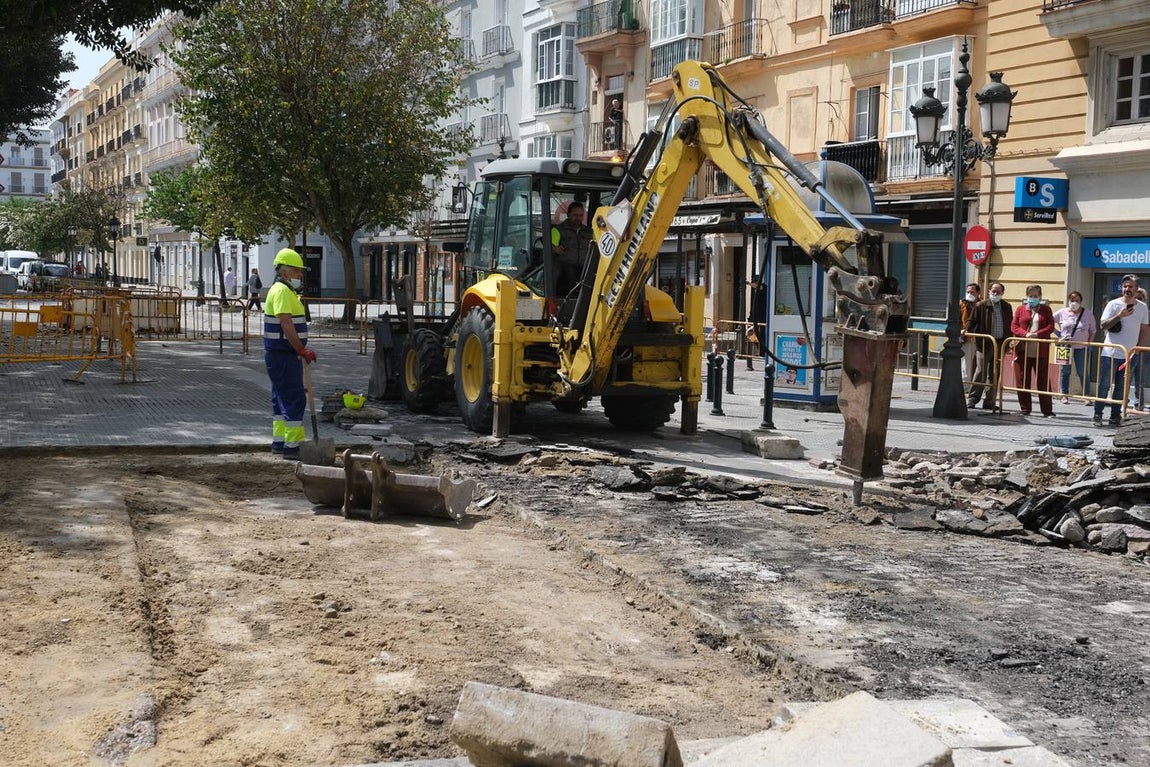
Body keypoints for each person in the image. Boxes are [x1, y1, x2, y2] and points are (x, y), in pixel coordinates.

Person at [263, 248, 315, 459]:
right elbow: (286, 323)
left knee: (280, 399)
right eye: (297, 271)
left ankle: (280, 441)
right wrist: (301, 349)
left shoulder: (282, 290)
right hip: (283, 355)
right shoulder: (283, 292)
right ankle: (292, 447)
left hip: (279, 355)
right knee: (294, 398)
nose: (300, 276)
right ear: (285, 272)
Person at [1094, 273, 1150, 426]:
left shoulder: (1143, 308)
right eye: (1125, 286)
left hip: (1130, 355)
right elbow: (1103, 325)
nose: (1127, 289)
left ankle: (1114, 416)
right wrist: (1120, 315)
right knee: (1104, 384)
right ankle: (1097, 414)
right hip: (1110, 353)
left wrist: (1137, 348)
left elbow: (1144, 330)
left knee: (1121, 388)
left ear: (1137, 289)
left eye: (1130, 286)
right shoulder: (1113, 304)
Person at [966, 282, 1013, 411]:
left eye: (998, 291)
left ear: (1002, 293)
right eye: (993, 290)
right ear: (989, 291)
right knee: (980, 371)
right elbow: (971, 321)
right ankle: (972, 399)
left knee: (994, 374)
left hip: (1000, 343)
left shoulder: (1007, 306)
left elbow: (1010, 323)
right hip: (984, 343)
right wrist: (965, 330)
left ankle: (990, 402)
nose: (995, 293)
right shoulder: (981, 305)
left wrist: (1009, 343)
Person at [1010, 284, 1055, 417]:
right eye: (1030, 296)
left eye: (1035, 296)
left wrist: (1037, 334)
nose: (1032, 298)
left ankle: (1047, 410)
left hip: (1040, 350)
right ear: (1027, 296)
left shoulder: (1046, 310)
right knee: (1022, 380)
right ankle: (1025, 409)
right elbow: (1014, 326)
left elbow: (1051, 326)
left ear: (1040, 296)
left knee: (1043, 380)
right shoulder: (1020, 309)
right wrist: (1025, 334)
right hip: (1023, 350)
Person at [1052, 291, 1096, 405]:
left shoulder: (1088, 314)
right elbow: (1049, 322)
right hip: (1065, 346)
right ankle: (1064, 395)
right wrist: (1059, 335)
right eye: (1072, 300)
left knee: (1082, 372)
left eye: (1077, 300)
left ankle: (1086, 396)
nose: (1074, 303)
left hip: (1081, 347)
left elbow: (1093, 331)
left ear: (1081, 302)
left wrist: (1088, 344)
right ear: (1068, 301)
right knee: (1065, 371)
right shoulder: (1062, 312)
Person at [551, 201, 592, 296]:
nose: (578, 218)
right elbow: (551, 247)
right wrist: (555, 249)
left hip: (584, 272)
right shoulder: (557, 230)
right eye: (575, 215)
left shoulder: (590, 232)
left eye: (581, 215)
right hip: (565, 274)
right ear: (568, 214)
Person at [960, 282, 981, 383]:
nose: (969, 294)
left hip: (980, 338)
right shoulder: (962, 304)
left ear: (978, 293)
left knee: (979, 364)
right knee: (966, 363)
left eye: (972, 292)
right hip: (966, 338)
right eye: (967, 292)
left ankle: (977, 385)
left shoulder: (982, 304)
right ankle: (966, 385)